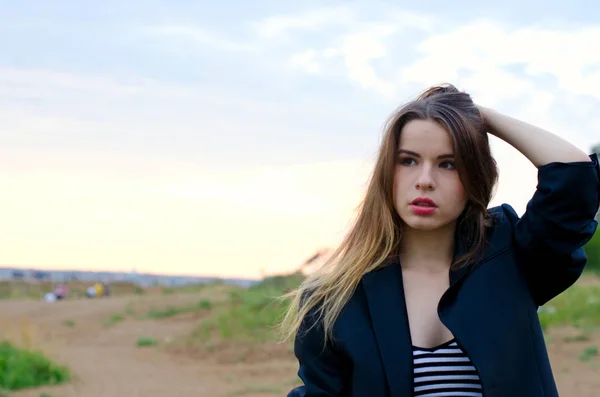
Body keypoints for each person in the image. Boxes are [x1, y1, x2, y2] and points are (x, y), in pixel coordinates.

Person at [279, 84, 600, 397]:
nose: (425, 181)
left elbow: (574, 176)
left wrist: (480, 117)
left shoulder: (510, 255)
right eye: (408, 161)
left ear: (475, 176)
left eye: (449, 164)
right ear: (386, 174)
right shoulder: (333, 300)